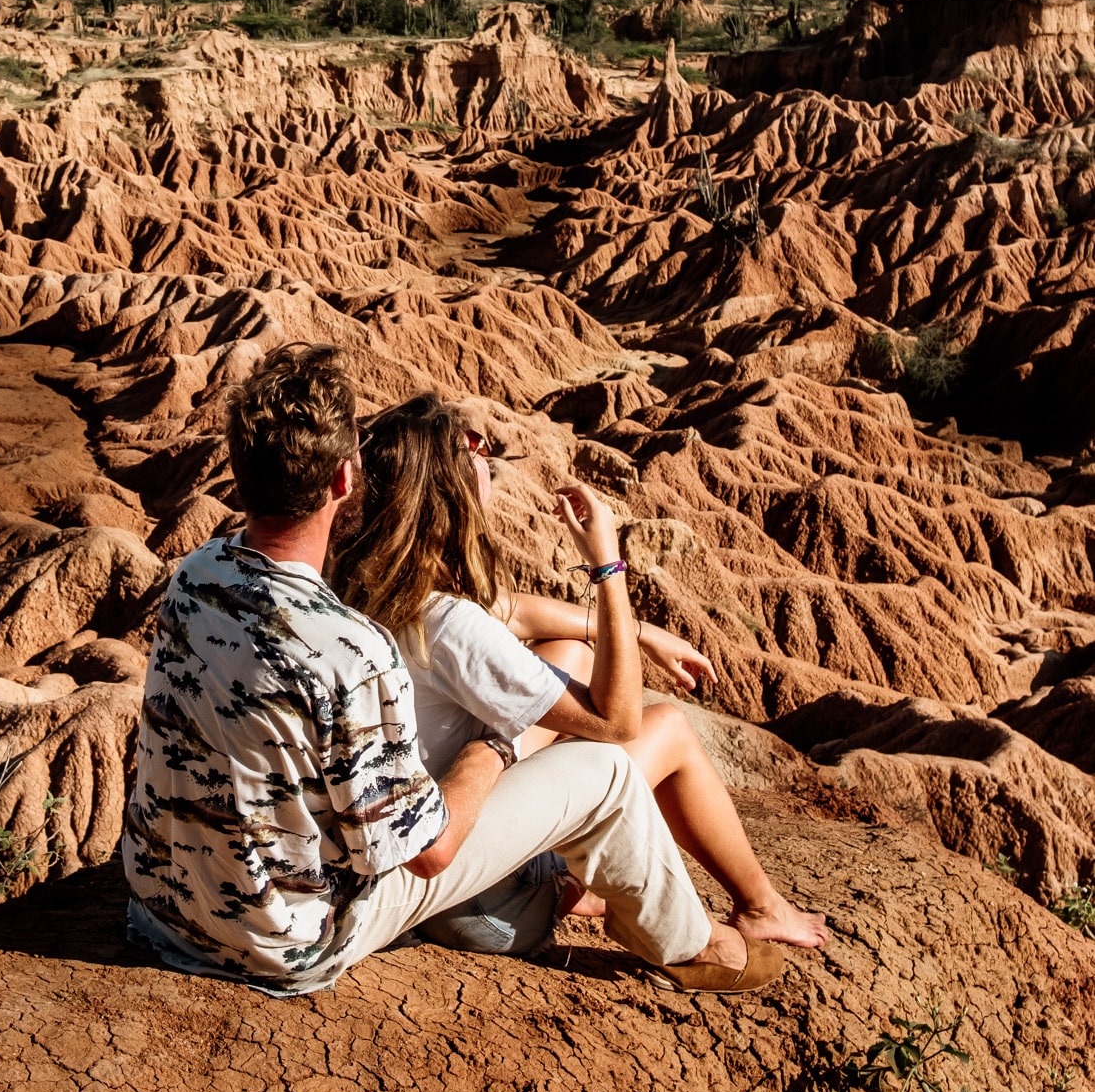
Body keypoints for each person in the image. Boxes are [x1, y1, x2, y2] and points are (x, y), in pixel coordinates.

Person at [122, 342, 779, 997]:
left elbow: (490, 615)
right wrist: (494, 745)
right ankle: (698, 949)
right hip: (289, 943)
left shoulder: (198, 575)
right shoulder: (353, 650)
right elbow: (429, 852)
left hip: (160, 917)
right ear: (344, 481)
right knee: (605, 769)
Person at [330, 394, 828, 962]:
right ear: (446, 493)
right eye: (470, 450)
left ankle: (577, 881)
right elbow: (619, 721)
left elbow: (513, 611)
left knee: (568, 653)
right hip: (478, 905)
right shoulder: (445, 625)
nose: (483, 454)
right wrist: (606, 566)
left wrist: (641, 633)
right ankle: (760, 907)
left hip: (419, 865)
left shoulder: (365, 584)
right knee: (664, 728)